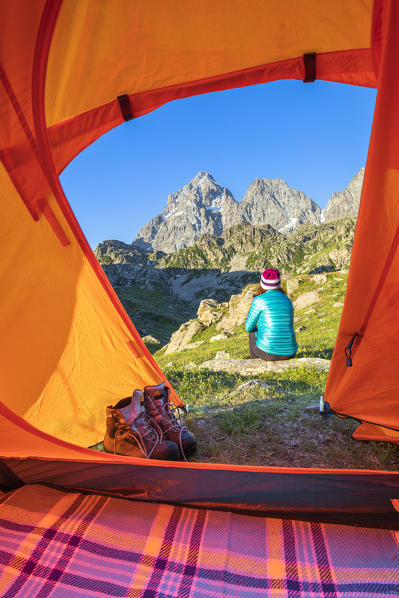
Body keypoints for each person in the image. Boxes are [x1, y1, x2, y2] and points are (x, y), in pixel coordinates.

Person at [245, 268, 298, 361]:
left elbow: (248, 327)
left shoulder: (259, 300)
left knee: (252, 334)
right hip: (290, 352)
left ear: (262, 283)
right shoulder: (287, 300)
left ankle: (255, 364)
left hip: (269, 353)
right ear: (279, 283)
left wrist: (258, 329)